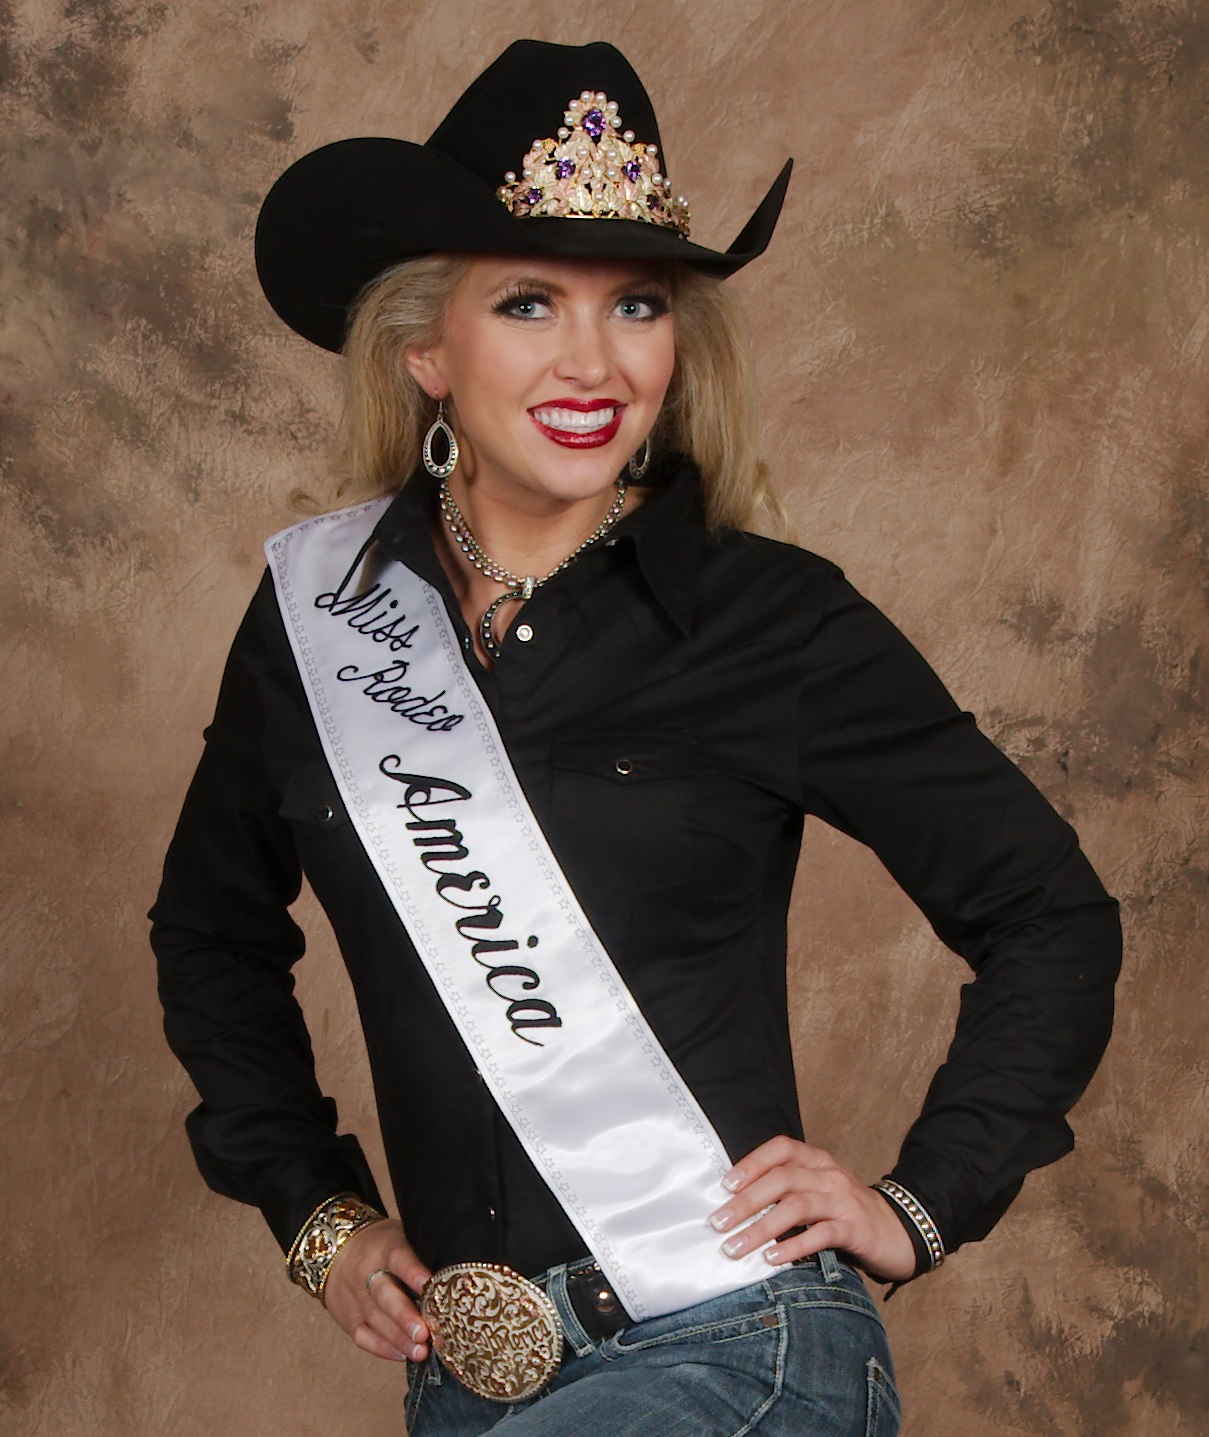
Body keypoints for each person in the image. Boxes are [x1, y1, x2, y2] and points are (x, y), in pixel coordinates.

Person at [150, 39, 1122, 1437]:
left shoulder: (771, 618)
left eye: (639, 305)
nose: (595, 363)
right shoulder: (320, 618)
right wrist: (317, 1216)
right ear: (426, 348)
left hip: (736, 1345)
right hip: (463, 1387)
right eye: (529, 304)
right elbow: (209, 932)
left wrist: (918, 1203)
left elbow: (1049, 911)